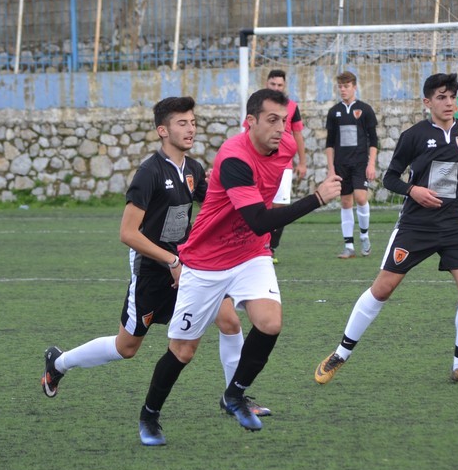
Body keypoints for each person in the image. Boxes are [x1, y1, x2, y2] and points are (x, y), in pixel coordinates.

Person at [137, 88, 342, 446]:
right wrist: (316, 198)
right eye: (272, 120)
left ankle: (234, 394)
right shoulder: (234, 158)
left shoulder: (286, 146)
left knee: (270, 322)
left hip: (250, 253)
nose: (281, 129)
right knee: (183, 351)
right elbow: (259, 220)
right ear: (250, 122)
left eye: (284, 121)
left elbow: (259, 225)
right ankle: (149, 415)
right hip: (206, 261)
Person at [40, 97, 270, 415]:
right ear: (163, 130)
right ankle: (59, 362)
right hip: (152, 269)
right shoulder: (149, 172)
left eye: (193, 122)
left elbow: (217, 205)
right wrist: (170, 261)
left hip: (188, 266)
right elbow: (128, 233)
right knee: (126, 347)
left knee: (229, 321)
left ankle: (235, 398)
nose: (191, 129)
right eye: (182, 123)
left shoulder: (193, 169)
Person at [315, 72, 458, 387]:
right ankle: (340, 353)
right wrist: (414, 191)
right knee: (383, 288)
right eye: (441, 97)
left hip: (454, 225)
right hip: (416, 225)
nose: (449, 102)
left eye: (452, 97)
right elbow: (391, 178)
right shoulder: (413, 136)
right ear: (427, 102)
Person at [324, 70, 378, 259]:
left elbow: (374, 140)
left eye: (346, 86)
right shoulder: (334, 112)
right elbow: (329, 143)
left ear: (354, 87)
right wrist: (331, 168)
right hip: (341, 164)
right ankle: (349, 246)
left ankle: (364, 236)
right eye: (340, 86)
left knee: (361, 198)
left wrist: (371, 164)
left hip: (360, 163)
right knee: (346, 202)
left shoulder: (365, 110)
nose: (343, 90)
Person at [262, 69, 308, 264]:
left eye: (279, 85)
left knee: (279, 207)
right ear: (267, 83)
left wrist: (302, 162)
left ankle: (271, 248)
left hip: (284, 165)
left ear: (284, 86)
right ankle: (258, 248)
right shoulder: (258, 105)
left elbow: (297, 135)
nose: (276, 88)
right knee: (261, 205)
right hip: (261, 163)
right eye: (273, 84)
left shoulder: (292, 106)